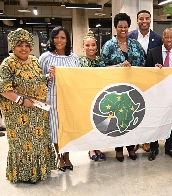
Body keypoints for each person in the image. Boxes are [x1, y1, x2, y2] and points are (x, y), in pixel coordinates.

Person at [0, 28, 56, 183]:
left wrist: (48, 76)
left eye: (27, 45)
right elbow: (2, 89)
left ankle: (40, 171)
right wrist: (22, 101)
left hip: (38, 110)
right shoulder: (9, 63)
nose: (24, 49)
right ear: (13, 46)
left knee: (39, 141)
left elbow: (37, 79)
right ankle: (25, 174)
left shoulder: (34, 60)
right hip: (18, 112)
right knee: (23, 144)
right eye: (20, 45)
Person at [101, 13, 145, 162]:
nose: (123, 29)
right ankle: (119, 149)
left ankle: (131, 147)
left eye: (126, 27)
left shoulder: (135, 44)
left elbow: (144, 64)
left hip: (133, 88)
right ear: (115, 27)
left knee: (131, 116)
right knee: (118, 119)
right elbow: (102, 67)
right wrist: (119, 66)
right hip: (116, 89)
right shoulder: (108, 46)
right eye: (120, 27)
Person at [39, 26, 80, 172]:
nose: (59, 40)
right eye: (56, 37)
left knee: (68, 127)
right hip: (53, 99)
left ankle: (67, 156)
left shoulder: (74, 58)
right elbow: (38, 80)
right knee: (56, 129)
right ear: (51, 39)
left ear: (67, 40)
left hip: (69, 99)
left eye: (62, 37)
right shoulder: (45, 57)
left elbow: (78, 78)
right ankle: (59, 157)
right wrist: (48, 76)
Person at [145, 27, 172, 161]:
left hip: (171, 96)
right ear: (162, 38)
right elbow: (146, 73)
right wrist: (154, 70)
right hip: (156, 95)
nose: (169, 40)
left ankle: (169, 148)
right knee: (155, 121)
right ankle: (154, 148)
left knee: (171, 121)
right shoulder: (152, 52)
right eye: (166, 37)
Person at [128, 9, 163, 152]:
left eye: (147, 18)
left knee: (148, 109)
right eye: (141, 19)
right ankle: (135, 140)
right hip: (133, 79)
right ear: (137, 21)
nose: (144, 21)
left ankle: (146, 140)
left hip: (150, 80)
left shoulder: (157, 38)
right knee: (134, 108)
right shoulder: (130, 36)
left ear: (150, 20)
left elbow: (160, 56)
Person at [79, 30, 106, 161]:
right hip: (85, 96)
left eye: (93, 45)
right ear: (83, 47)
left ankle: (98, 146)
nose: (91, 48)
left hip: (99, 95)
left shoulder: (101, 61)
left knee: (98, 122)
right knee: (88, 123)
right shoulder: (79, 61)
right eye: (88, 45)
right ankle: (91, 148)